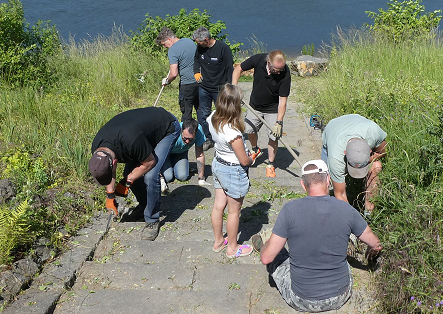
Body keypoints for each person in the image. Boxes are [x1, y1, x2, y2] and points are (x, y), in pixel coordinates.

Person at [255, 160, 383, 312]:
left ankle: (263, 242)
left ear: (303, 185)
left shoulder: (289, 210)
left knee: (277, 254)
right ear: (328, 180)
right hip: (340, 295)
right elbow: (376, 244)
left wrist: (265, 248)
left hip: (301, 299)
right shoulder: (346, 209)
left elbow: (266, 258)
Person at [88, 107, 180, 241]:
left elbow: (149, 162)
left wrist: (127, 181)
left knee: (150, 176)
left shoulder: (130, 141)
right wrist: (110, 196)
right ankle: (144, 207)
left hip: (167, 127)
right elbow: (110, 169)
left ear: (113, 162)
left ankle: (152, 220)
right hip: (139, 134)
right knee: (130, 174)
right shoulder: (98, 148)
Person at [207, 84, 258, 258]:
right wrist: (252, 158)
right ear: (236, 106)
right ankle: (233, 248)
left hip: (218, 163)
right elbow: (244, 160)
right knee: (234, 211)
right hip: (232, 170)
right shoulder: (233, 131)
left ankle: (219, 242)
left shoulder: (213, 117)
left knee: (218, 205)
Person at [232, 50, 291, 178]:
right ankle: (255, 149)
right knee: (249, 129)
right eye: (276, 69)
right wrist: (234, 89)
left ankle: (270, 164)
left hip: (273, 109)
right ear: (269, 63)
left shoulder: (285, 73)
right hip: (255, 106)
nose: (279, 72)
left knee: (274, 136)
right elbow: (238, 69)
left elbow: (283, 100)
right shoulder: (258, 59)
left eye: (281, 69)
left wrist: (279, 122)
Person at [321, 114, 387, 212]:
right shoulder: (335, 157)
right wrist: (353, 221)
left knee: (376, 166)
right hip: (333, 128)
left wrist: (368, 160)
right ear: (345, 154)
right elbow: (340, 194)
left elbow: (383, 152)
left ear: (369, 150)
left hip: (358, 123)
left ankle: (369, 212)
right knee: (324, 181)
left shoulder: (373, 133)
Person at [192, 26, 234, 151]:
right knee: (204, 114)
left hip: (219, 89)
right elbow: (196, 60)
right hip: (204, 88)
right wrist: (196, 72)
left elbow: (229, 68)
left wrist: (229, 86)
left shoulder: (223, 48)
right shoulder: (200, 48)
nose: (197, 44)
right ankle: (208, 138)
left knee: (223, 114)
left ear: (206, 40)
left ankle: (224, 138)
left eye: (198, 42)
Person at [155, 27, 199, 122]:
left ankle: (186, 135)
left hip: (187, 85)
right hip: (200, 81)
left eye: (164, 44)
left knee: (186, 113)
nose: (164, 47)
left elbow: (174, 73)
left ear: (169, 39)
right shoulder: (189, 41)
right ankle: (206, 135)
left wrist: (167, 81)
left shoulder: (173, 50)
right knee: (201, 111)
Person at [160, 118, 210, 191]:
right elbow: (158, 154)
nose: (187, 142)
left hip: (181, 152)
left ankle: (175, 163)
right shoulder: (173, 131)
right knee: (167, 177)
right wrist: (161, 178)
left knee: (182, 176)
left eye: (190, 139)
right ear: (181, 131)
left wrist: (201, 178)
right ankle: (169, 163)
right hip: (165, 153)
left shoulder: (199, 131)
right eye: (185, 138)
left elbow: (200, 154)